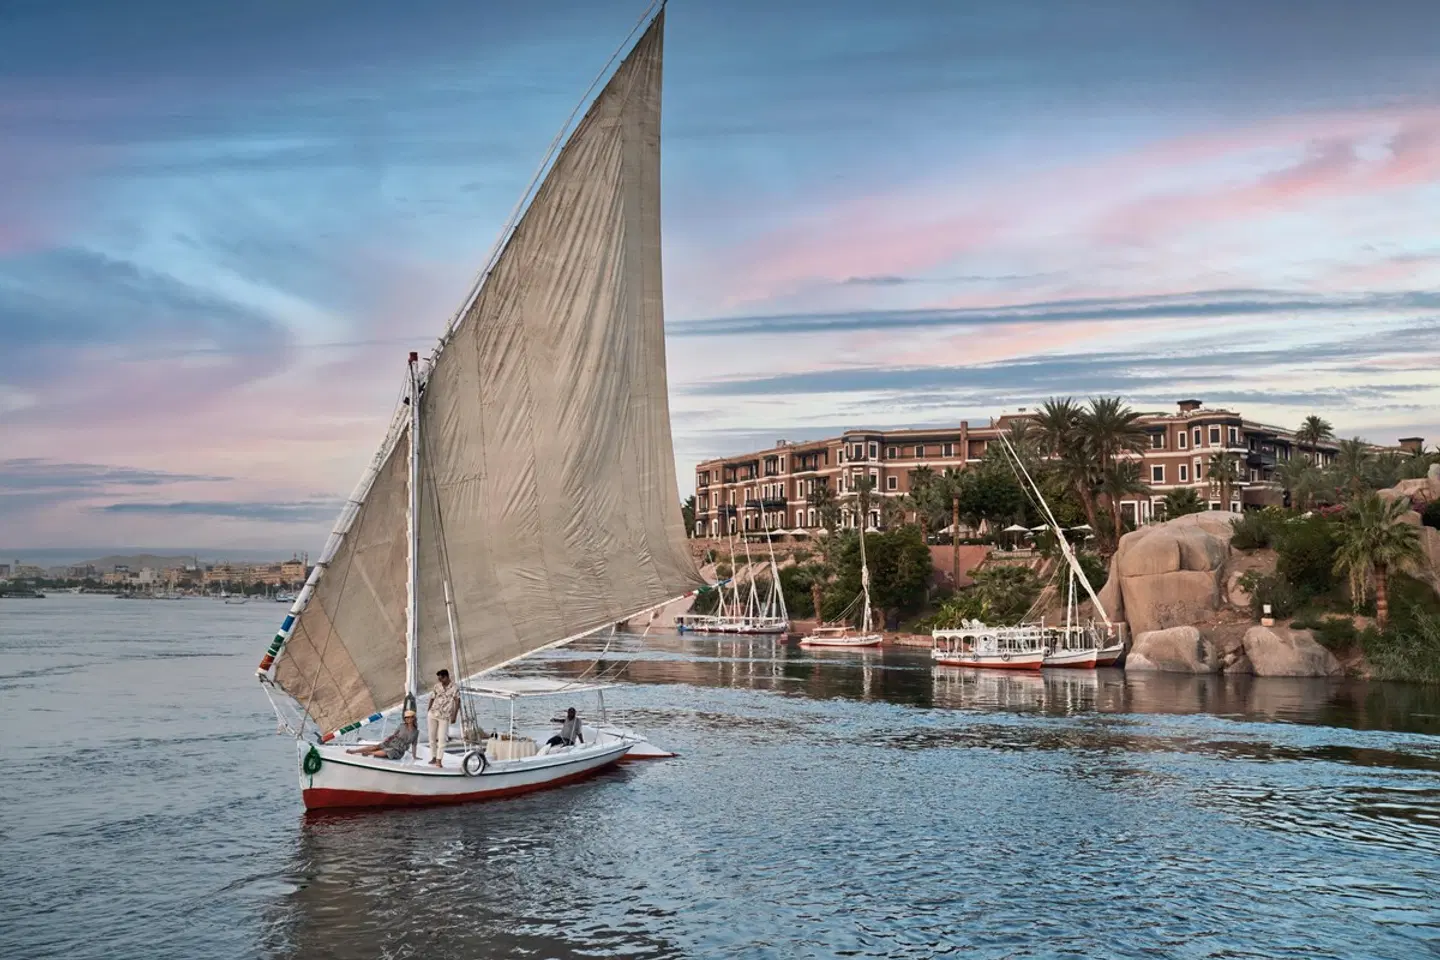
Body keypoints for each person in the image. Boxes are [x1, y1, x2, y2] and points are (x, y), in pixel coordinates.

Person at [348, 710, 418, 760]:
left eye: (409, 717)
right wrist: (388, 738)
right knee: (376, 746)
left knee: (390, 751)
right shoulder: (401, 726)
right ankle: (354, 751)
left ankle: (370, 753)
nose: (407, 719)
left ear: (413, 718)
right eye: (406, 717)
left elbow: (414, 745)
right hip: (393, 742)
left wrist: (414, 756)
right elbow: (394, 735)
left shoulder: (416, 732)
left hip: (399, 750)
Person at [428, 668, 461, 767]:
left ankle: (439, 760)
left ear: (446, 677)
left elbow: (457, 702)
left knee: (442, 739)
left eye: (441, 679)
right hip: (433, 714)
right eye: (439, 679)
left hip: (445, 716)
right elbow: (432, 698)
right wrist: (428, 710)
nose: (440, 681)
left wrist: (454, 715)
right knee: (432, 737)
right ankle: (433, 757)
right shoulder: (437, 686)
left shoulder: (454, 687)